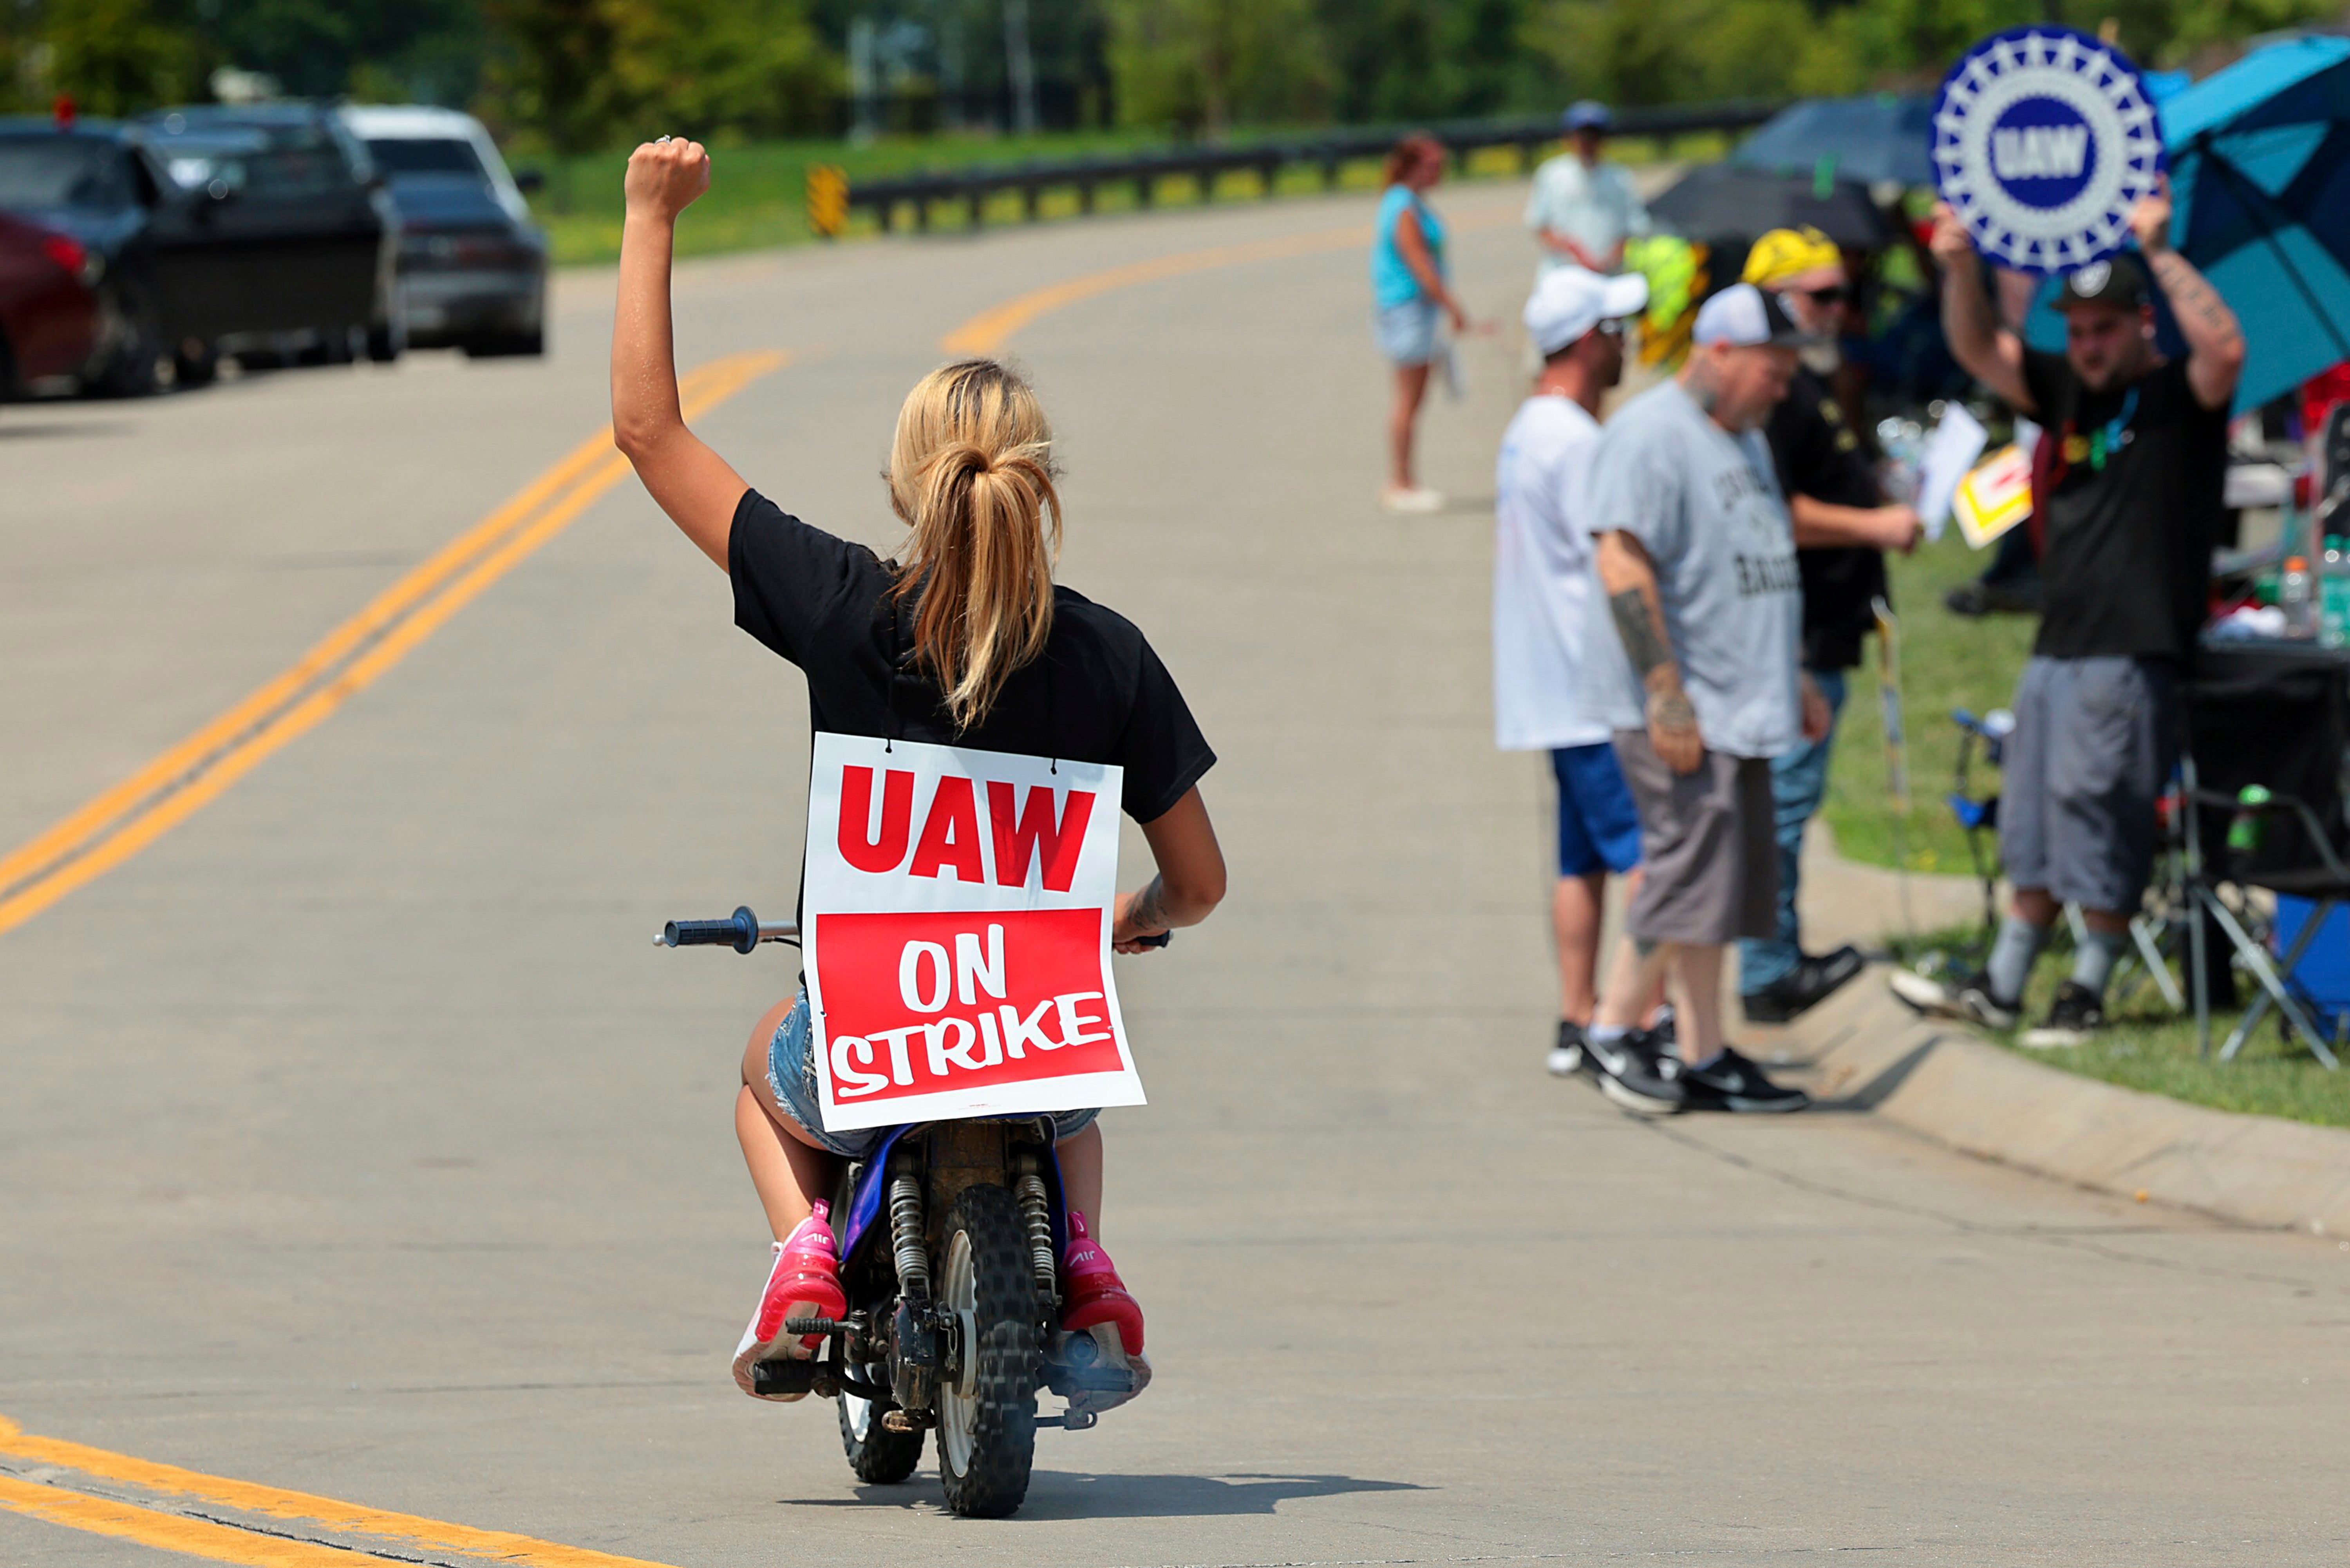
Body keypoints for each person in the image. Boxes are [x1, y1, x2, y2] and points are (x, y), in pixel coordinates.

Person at [609, 136, 1228, 1408]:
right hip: (1032, 1042)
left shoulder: (843, 608)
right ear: (1039, 480)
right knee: (1076, 1093)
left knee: (761, 1073)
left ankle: (802, 1262)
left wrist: (649, 213)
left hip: (870, 1040)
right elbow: (1201, 882)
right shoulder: (1109, 652)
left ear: (908, 480)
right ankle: (1089, 1266)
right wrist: (1132, 923)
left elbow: (646, 430)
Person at [1894, 178, 2243, 1047]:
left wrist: (2159, 250)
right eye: (2078, 331)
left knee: (2101, 810)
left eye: (2105, 329)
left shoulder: (2178, 403)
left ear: (2141, 325)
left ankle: (2086, 987)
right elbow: (1980, 351)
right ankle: (2005, 982)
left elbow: (2227, 350)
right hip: (2058, 642)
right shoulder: (2067, 395)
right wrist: (1959, 265)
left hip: (2134, 648)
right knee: (2035, 817)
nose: (2087, 346)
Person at [1577, 284, 1831, 1114]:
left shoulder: (1742, 435)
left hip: (1740, 703)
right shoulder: (1650, 435)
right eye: (1772, 369)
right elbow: (1620, 559)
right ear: (1717, 350)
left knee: (1717, 892)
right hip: (1685, 709)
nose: (1782, 386)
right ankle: (1615, 1031)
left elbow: (1751, 562)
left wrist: (1787, 677)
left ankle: (1704, 1050)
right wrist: (1665, 692)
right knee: (1685, 877)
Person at [1734, 228, 1925, 1023]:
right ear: (1773, 300)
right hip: (1800, 631)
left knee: (1792, 804)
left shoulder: (1812, 382)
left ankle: (1778, 951)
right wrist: (1875, 527)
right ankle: (1768, 968)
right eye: (1819, 296)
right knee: (1781, 804)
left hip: (1829, 629)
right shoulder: (1774, 394)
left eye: (1844, 295)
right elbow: (1776, 514)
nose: (1838, 311)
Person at [1491, 265, 1658, 1075]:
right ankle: (1641, 1021)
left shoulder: (1529, 427)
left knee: (1581, 859)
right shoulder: (1583, 442)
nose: (1627, 344)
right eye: (1619, 331)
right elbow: (1617, 561)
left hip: (1547, 691)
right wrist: (1663, 674)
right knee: (1652, 860)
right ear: (1589, 342)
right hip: (1592, 691)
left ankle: (1577, 1017)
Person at [1372, 132, 1477, 512]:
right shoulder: (1402, 205)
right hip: (1408, 309)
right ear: (1413, 166)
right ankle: (1400, 482)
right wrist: (1454, 306)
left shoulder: (1410, 202)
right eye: (1433, 165)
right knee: (1408, 399)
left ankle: (1404, 479)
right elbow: (1419, 263)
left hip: (1415, 310)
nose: (1440, 172)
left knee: (1414, 398)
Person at [1524, 101, 1650, 278]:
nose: (1587, 142)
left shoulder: (1620, 177)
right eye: (1582, 135)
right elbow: (1541, 224)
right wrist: (1573, 252)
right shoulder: (1552, 174)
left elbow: (1634, 226)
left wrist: (1613, 256)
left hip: (1609, 274)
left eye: (1594, 136)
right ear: (1569, 137)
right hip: (1563, 274)